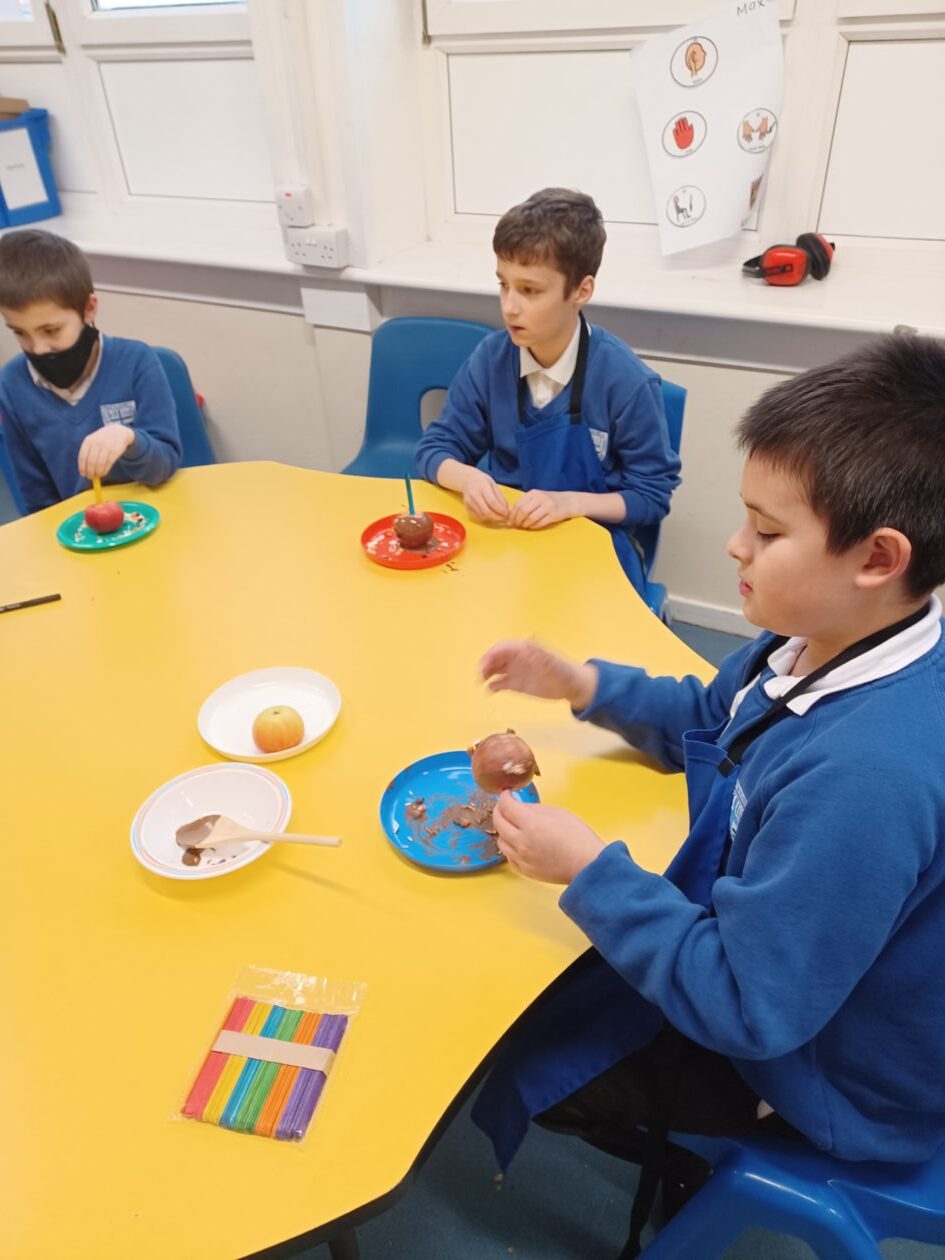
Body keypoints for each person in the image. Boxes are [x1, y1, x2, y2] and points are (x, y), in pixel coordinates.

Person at [470, 333, 945, 1253]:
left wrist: (588, 871)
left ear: (877, 557)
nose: (734, 545)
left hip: (829, 1077)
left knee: (522, 1045)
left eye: (766, 532)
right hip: (788, 969)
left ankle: (697, 1161)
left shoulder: (863, 778)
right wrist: (581, 684)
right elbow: (711, 714)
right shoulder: (819, 638)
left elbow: (746, 1006)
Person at [414, 188, 680, 592]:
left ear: (581, 291)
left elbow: (651, 497)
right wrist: (467, 479)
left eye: (530, 290)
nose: (510, 306)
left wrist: (569, 503)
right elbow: (434, 448)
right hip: (507, 541)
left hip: (590, 546)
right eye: (503, 285)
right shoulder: (491, 358)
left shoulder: (625, 382)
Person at [0, 229, 182, 514]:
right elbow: (37, 500)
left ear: (88, 308)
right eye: (20, 333)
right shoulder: (13, 385)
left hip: (158, 516)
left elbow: (165, 465)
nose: (38, 349)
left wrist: (129, 439)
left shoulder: (136, 362)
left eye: (51, 330)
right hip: (80, 530)